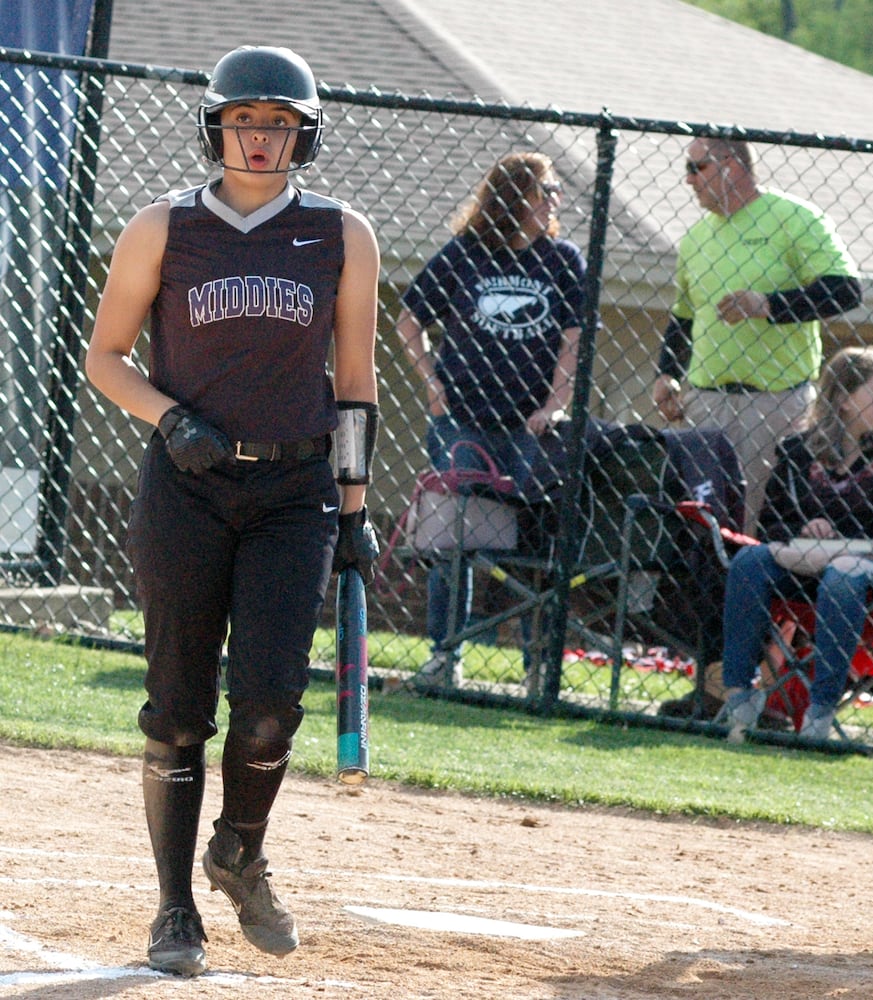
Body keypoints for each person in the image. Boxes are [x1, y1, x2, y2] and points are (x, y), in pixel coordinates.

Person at [84, 46, 380, 977]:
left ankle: (239, 852)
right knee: (177, 708)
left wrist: (354, 508)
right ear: (217, 127)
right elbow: (105, 357)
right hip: (188, 488)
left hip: (294, 495)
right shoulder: (163, 228)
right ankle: (175, 910)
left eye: (280, 124)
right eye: (246, 121)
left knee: (267, 708)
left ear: (305, 135)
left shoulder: (342, 234)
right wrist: (171, 421)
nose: (261, 139)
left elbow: (357, 384)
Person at [393, 151, 590, 690]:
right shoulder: (465, 254)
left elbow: (574, 340)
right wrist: (433, 386)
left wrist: (553, 404)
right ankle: (445, 657)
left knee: (536, 547)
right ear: (513, 196)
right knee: (451, 543)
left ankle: (539, 667)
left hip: (531, 430)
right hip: (462, 422)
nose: (555, 199)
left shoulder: (562, 260)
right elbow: (409, 318)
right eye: (545, 189)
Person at [719, 346, 873, 739]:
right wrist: (804, 524)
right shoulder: (798, 452)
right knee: (749, 560)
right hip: (808, 566)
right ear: (843, 400)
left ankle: (820, 711)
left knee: (844, 574)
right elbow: (772, 523)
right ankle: (738, 695)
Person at [651, 137, 862, 532]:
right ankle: (700, 595)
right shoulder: (696, 237)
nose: (689, 180)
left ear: (730, 165)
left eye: (697, 168)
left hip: (775, 404)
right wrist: (666, 372)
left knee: (759, 525)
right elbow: (683, 317)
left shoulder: (795, 218)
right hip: (705, 403)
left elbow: (846, 290)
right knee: (696, 526)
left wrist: (768, 305)